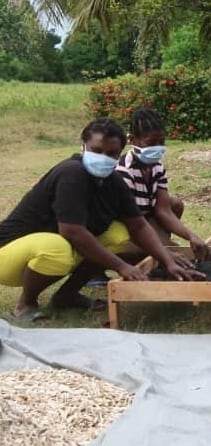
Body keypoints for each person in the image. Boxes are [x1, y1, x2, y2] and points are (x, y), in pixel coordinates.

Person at [0, 118, 200, 323]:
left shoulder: (113, 183)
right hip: (8, 253)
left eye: (112, 153)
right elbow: (72, 231)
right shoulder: (71, 173)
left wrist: (166, 259)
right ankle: (25, 304)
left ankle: (66, 295)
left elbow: (138, 225)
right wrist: (122, 266)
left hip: (52, 247)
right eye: (96, 151)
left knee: (119, 234)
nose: (103, 158)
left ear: (120, 152)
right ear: (83, 146)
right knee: (56, 248)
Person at [116, 109, 211, 261]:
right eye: (151, 143)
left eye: (161, 142)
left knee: (174, 204)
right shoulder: (123, 171)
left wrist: (190, 236)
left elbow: (163, 210)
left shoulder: (157, 167)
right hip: (125, 225)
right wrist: (167, 249)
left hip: (144, 218)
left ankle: (157, 247)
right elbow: (132, 223)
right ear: (133, 140)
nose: (157, 147)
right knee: (149, 251)